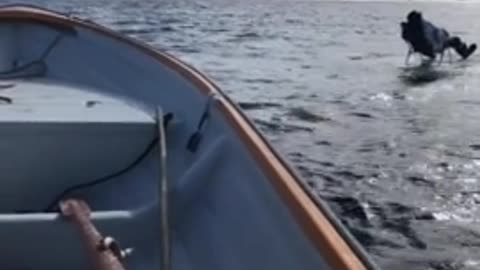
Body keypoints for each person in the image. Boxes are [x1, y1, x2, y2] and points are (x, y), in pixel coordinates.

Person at [401, 10, 477, 64]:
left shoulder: (410, 30)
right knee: (455, 40)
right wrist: (442, 34)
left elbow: (405, 37)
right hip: (434, 47)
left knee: (448, 38)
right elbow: (434, 36)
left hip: (422, 49)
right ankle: (464, 53)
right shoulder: (422, 29)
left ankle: (463, 51)